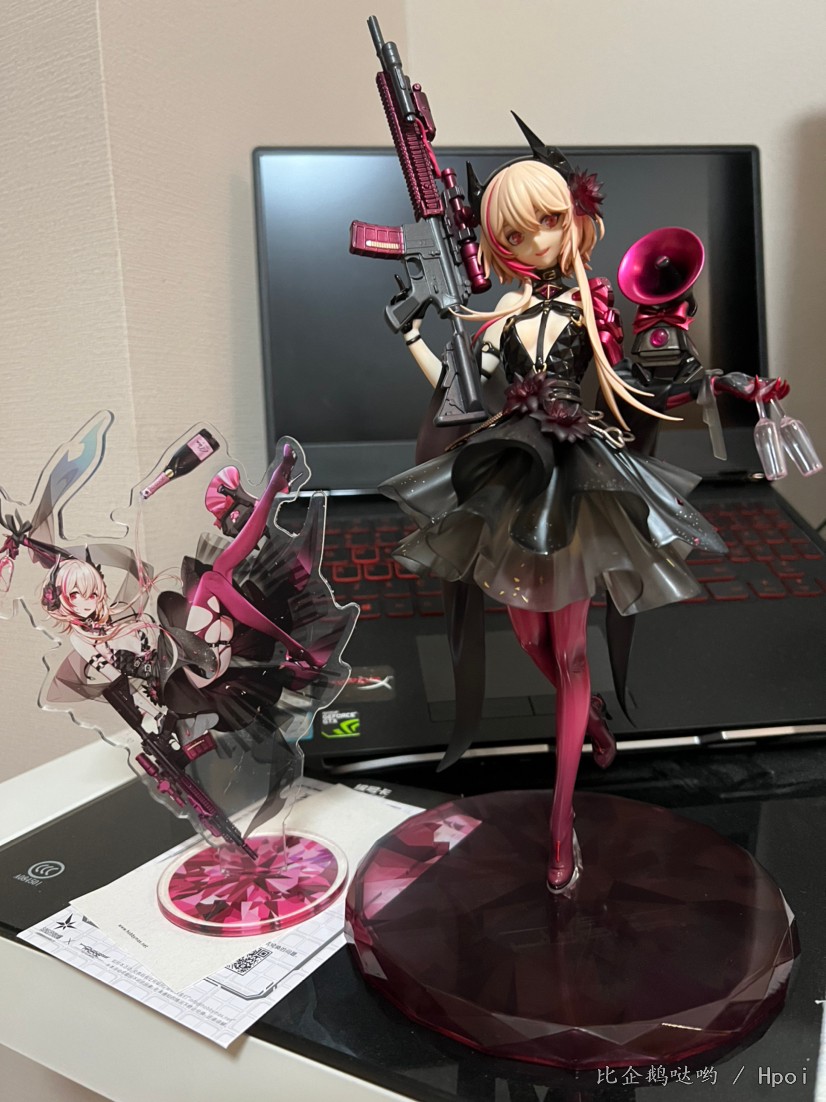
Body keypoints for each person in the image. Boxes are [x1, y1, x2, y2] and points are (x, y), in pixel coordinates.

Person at [380, 123, 729, 892]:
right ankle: (589, 715)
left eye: (545, 219)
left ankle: (561, 825)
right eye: (514, 231)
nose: (534, 239)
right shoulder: (501, 316)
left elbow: (627, 385)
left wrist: (697, 373)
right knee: (531, 638)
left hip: (574, 469)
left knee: (568, 653)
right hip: (511, 470)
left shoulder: (589, 304)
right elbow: (458, 393)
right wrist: (410, 337)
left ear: (573, 215)